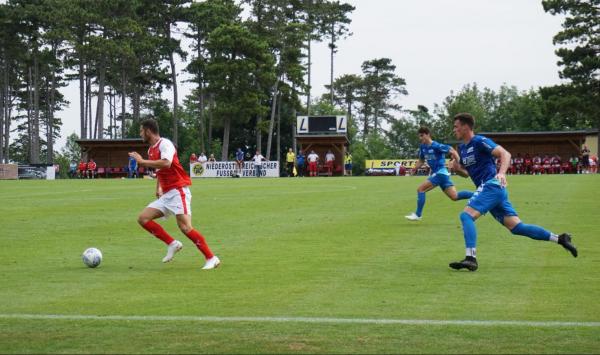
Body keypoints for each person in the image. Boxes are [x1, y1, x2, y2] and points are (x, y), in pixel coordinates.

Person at [448, 113, 577, 272]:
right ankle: (560, 239)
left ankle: (470, 258)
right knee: (517, 228)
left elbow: (505, 154)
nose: (454, 130)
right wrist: (457, 169)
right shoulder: (462, 148)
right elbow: (466, 174)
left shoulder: (479, 141)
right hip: (490, 190)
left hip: (491, 185)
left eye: (456, 126)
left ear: (466, 126)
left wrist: (501, 173)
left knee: (466, 216)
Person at [128, 119, 220, 270]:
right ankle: (172, 243)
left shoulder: (165, 144)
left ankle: (211, 258)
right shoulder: (151, 149)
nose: (140, 134)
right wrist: (158, 187)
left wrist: (142, 162)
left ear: (148, 131)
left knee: (185, 227)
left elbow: (166, 163)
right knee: (143, 218)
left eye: (141, 131)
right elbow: (160, 170)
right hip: (167, 194)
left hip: (178, 191)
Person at [405, 127, 473, 221]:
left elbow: (452, 150)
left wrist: (460, 164)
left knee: (420, 190)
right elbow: (421, 160)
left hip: (440, 173)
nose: (420, 138)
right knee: (454, 196)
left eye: (422, 135)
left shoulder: (436, 146)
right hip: (441, 175)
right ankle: (478, 195)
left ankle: (418, 214)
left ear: (428, 134)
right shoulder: (423, 147)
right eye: (419, 136)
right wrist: (414, 169)